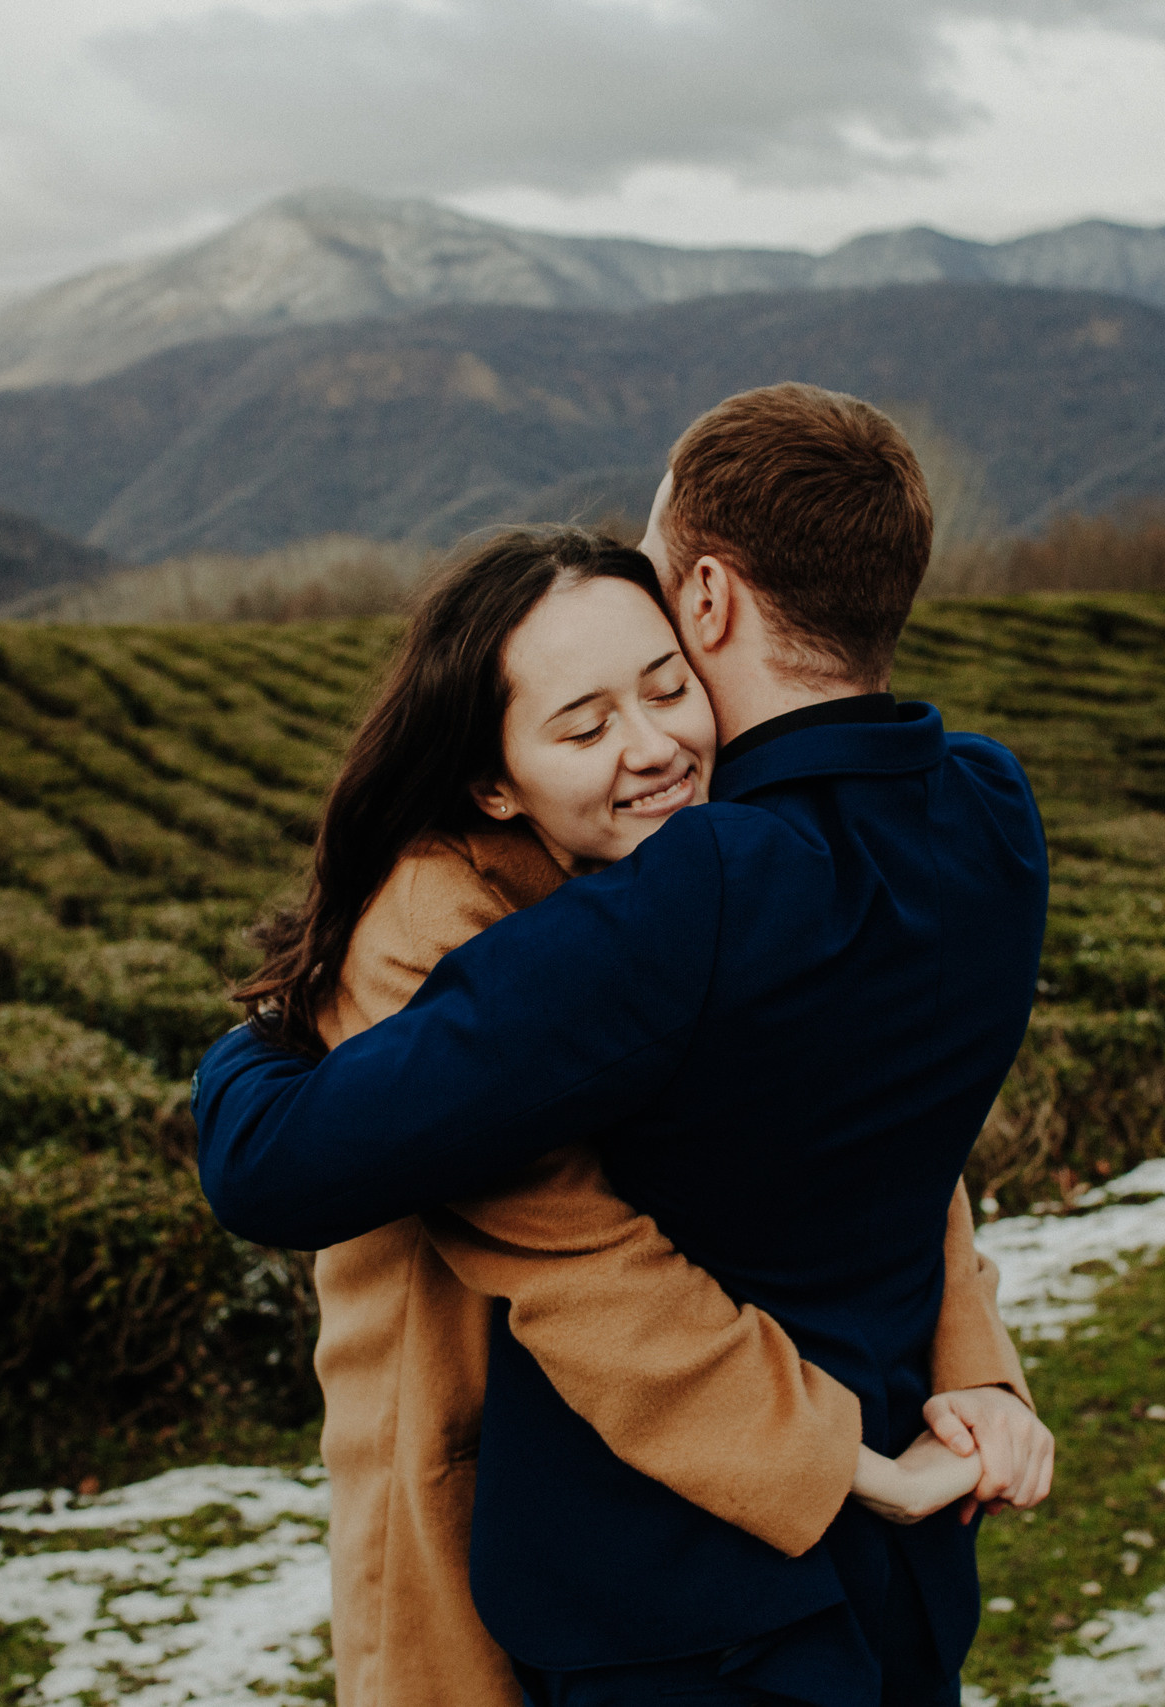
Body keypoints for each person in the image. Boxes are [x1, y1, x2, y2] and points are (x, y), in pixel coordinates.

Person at [198, 384, 1055, 1705]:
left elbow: (277, 1162)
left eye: (662, 672)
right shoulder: (991, 805)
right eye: (585, 722)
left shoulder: (701, 891)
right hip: (837, 1581)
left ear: (706, 606)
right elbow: (857, 1122)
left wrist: (252, 1038)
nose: (651, 742)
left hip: (686, 1599)